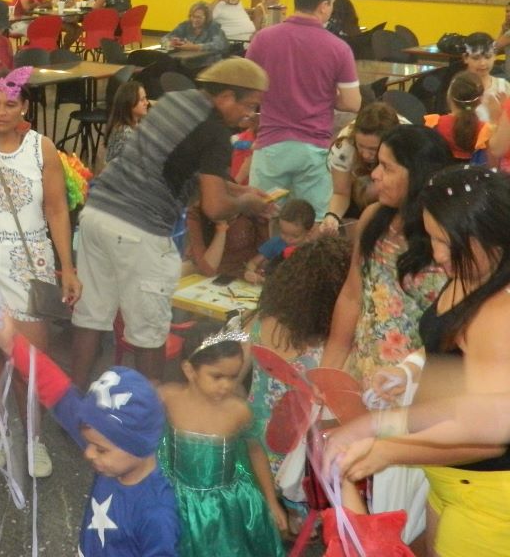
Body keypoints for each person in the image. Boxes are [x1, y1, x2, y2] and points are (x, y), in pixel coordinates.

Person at [329, 166, 510, 556]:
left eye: (447, 241)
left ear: (490, 238)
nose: (437, 253)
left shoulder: (500, 312)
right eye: (431, 238)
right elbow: (452, 358)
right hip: (449, 480)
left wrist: (387, 447)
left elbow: (487, 434)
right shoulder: (471, 273)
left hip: (488, 495)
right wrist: (408, 372)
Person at [71, 58, 274, 385]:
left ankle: (73, 400)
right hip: (139, 228)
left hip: (98, 215)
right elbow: (214, 206)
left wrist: (240, 188)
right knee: (148, 333)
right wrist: (247, 202)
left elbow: (182, 168)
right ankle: (150, 419)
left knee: (91, 317)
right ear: (224, 97)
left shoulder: (174, 102)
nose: (248, 116)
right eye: (249, 106)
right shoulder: (215, 132)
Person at [321, 125, 451, 544]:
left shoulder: (445, 240)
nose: (374, 174)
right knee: (353, 489)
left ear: (420, 175)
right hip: (364, 375)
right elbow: (351, 297)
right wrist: (329, 371)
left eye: (387, 167)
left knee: (405, 505)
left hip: (413, 391)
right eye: (376, 163)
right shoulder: (375, 218)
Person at [0, 66, 80, 477]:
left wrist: (68, 266)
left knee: (31, 360)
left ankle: (34, 437)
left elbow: (57, 209)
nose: (1, 112)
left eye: (10, 103)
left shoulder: (41, 148)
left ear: (24, 106)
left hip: (29, 263)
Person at [0, 319, 179, 557]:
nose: (88, 453)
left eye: (99, 449)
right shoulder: (113, 450)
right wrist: (13, 345)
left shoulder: (157, 514)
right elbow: (58, 390)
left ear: (137, 447)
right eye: (89, 444)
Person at [243, 234, 350, 530]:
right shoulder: (332, 348)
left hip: (253, 449)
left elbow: (230, 375)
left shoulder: (256, 321)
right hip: (299, 462)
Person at [158, 324, 286, 555]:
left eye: (233, 377)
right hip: (177, 501)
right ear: (189, 370)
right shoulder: (169, 398)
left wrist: (271, 500)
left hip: (224, 507)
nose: (227, 385)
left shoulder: (239, 411)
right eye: (217, 376)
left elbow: (255, 451)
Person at [246, 0, 361, 219]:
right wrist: (327, 96)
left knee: (265, 221)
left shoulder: (263, 39)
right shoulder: (338, 48)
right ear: (323, 6)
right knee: (312, 224)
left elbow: (247, 90)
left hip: (271, 147)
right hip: (314, 150)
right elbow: (353, 103)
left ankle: (270, 257)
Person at [321, 101, 402, 234]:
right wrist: (332, 216)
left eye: (373, 149)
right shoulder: (344, 147)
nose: (365, 154)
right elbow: (341, 192)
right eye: (361, 146)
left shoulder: (406, 145)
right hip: (358, 190)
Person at [241, 197, 315, 284]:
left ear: (308, 233)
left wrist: (263, 280)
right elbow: (253, 263)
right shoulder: (276, 243)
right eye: (283, 233)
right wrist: (250, 272)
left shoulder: (312, 251)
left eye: (295, 236)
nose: (288, 239)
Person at [425, 71, 490, 162]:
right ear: (480, 100)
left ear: (449, 95)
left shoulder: (433, 124)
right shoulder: (484, 131)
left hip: (440, 175)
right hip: (472, 175)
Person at [460, 32, 510, 122]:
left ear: (494, 56)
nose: (483, 63)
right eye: (476, 58)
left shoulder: (504, 87)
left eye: (488, 57)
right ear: (465, 58)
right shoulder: (458, 86)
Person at [167, 0, 228, 66]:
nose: (194, 20)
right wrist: (172, 42)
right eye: (192, 16)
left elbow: (221, 45)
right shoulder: (185, 25)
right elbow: (165, 38)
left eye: (198, 17)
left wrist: (196, 47)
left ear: (207, 18)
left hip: (210, 66)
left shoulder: (214, 27)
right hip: (188, 64)